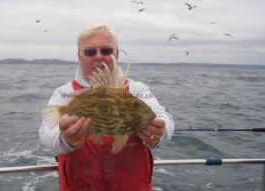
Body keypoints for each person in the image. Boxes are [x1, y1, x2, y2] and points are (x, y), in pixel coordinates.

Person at [39, 23, 174, 191]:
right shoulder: (64, 93)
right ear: (79, 56)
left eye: (106, 51)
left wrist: (158, 132)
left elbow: (163, 117)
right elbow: (46, 131)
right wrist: (65, 139)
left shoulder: (136, 90)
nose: (98, 57)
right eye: (90, 52)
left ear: (116, 54)